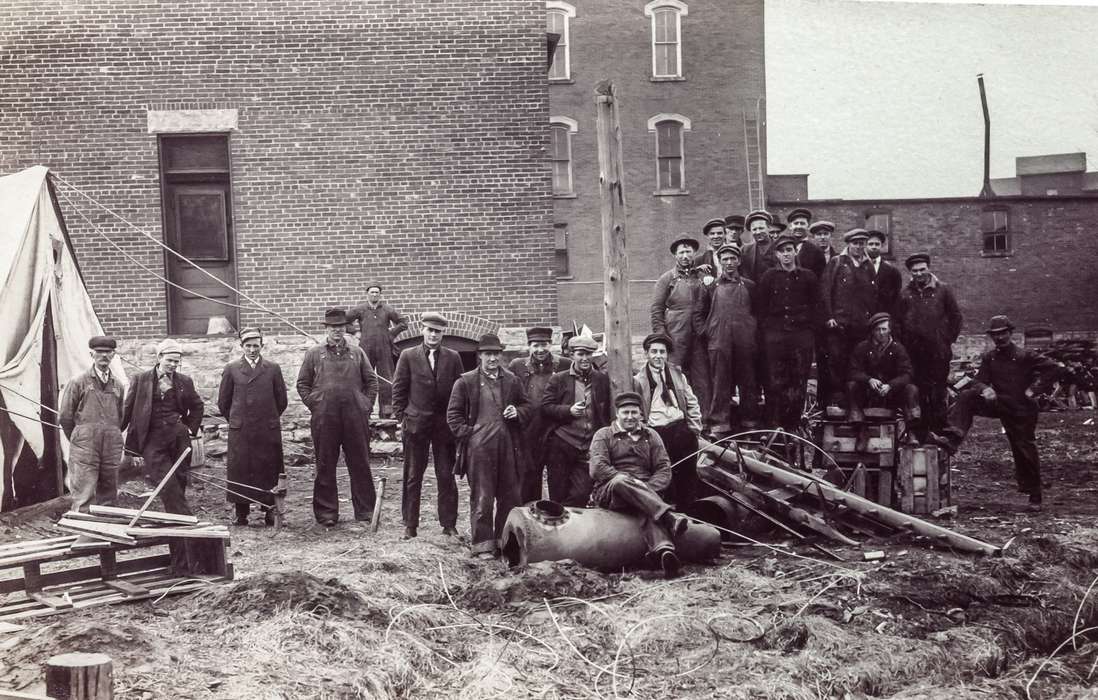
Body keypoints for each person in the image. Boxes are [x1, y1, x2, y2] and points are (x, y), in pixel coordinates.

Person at [933, 316, 1058, 511]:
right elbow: (978, 380)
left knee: (1023, 447)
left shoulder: (1026, 356)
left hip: (1022, 408)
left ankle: (1035, 495)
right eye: (996, 335)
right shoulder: (989, 358)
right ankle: (952, 437)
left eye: (1003, 334)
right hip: (1000, 403)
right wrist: (984, 388)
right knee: (967, 396)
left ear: (1010, 333)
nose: (1000, 338)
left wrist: (1034, 389)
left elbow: (1054, 368)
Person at [122, 338, 208, 573]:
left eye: (176, 362)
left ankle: (180, 560)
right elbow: (128, 412)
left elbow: (198, 406)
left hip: (179, 443)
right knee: (170, 491)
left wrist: (189, 428)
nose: (173, 365)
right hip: (152, 445)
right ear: (159, 358)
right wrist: (128, 446)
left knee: (176, 493)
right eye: (169, 360)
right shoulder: (141, 380)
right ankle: (194, 548)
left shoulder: (184, 382)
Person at [588, 392, 691, 579]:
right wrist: (630, 482)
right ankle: (668, 516)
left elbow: (663, 468)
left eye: (634, 412)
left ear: (641, 414)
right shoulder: (603, 435)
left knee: (645, 505)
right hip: (611, 491)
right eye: (625, 412)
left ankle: (665, 552)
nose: (630, 417)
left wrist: (646, 489)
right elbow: (597, 469)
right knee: (621, 482)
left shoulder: (651, 435)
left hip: (645, 492)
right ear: (617, 414)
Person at [447, 334, 530, 559]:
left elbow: (527, 406)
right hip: (479, 450)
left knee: (509, 497)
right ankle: (483, 545)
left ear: (500, 355)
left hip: (508, 449)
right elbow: (453, 416)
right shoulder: (465, 381)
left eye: (496, 354)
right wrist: (470, 434)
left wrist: (517, 412)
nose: (492, 358)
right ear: (480, 356)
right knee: (482, 497)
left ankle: (505, 544)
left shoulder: (512, 380)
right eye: (488, 354)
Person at [295, 308, 379, 526]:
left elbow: (371, 382)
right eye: (333, 327)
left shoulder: (357, 352)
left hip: (354, 417)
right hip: (325, 418)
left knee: (360, 463)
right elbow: (302, 383)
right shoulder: (315, 353)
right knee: (325, 463)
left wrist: (365, 405)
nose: (337, 331)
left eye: (340, 327)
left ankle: (365, 512)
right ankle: (327, 513)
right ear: (327, 329)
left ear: (345, 329)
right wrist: (316, 403)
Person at [392, 312, 462, 539]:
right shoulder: (408, 356)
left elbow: (460, 392)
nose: (433, 335)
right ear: (423, 330)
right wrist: (402, 418)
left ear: (443, 333)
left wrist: (456, 420)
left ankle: (449, 524)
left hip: (444, 427)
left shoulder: (453, 357)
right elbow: (399, 390)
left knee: (445, 475)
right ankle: (410, 525)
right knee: (413, 475)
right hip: (415, 426)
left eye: (438, 331)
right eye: (430, 330)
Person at [216, 327, 288, 526]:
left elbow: (281, 400)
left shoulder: (272, 368)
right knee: (241, 470)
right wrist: (237, 420)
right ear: (242, 347)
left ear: (262, 346)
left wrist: (268, 417)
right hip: (242, 430)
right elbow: (223, 402)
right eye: (248, 346)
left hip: (267, 429)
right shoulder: (232, 368)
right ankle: (241, 513)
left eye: (256, 345)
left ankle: (270, 511)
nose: (252, 349)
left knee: (269, 469)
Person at [754, 235, 820, 433]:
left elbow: (816, 306)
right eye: (782, 251)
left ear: (795, 252)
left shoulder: (808, 277)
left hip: (801, 336)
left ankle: (792, 427)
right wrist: (768, 332)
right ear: (776, 254)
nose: (786, 255)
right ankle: (774, 426)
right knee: (774, 381)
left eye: (789, 250)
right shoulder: (768, 277)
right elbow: (760, 308)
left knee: (798, 381)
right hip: (775, 337)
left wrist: (808, 330)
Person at [895, 253, 963, 435]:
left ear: (929, 269)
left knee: (938, 390)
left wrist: (945, 339)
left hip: (938, 351)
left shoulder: (943, 290)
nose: (919, 273)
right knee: (919, 391)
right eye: (915, 271)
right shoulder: (905, 294)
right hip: (914, 353)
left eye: (922, 269)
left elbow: (956, 318)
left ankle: (940, 428)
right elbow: (897, 323)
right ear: (910, 272)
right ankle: (921, 431)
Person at [632, 333, 702, 507]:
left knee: (688, 473)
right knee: (664, 473)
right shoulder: (638, 380)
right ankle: (669, 512)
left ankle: (689, 511)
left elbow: (691, 401)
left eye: (662, 352)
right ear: (647, 353)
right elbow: (638, 412)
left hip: (680, 428)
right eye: (654, 351)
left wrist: (694, 428)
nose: (658, 356)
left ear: (667, 354)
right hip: (657, 432)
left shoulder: (677, 374)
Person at [542, 335, 611, 506]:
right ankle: (559, 530)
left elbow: (606, 411)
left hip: (587, 446)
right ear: (572, 355)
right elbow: (545, 407)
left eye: (589, 354)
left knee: (582, 493)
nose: (585, 358)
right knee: (558, 494)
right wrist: (568, 411)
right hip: (562, 444)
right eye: (581, 354)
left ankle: (573, 526)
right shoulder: (559, 379)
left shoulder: (601, 379)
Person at [59, 336, 125, 513]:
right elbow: (65, 416)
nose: (103, 355)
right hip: (85, 445)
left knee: (109, 495)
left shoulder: (118, 385)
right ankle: (84, 537)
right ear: (91, 354)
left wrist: (112, 436)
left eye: (108, 352)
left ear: (114, 355)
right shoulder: (78, 382)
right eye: (99, 352)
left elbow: (121, 417)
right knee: (84, 493)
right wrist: (81, 438)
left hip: (111, 445)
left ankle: (107, 535)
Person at [703, 243, 760, 435]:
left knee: (748, 381)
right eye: (725, 259)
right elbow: (699, 313)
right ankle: (720, 424)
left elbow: (758, 313)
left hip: (745, 340)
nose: (729, 262)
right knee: (720, 382)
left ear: (739, 261)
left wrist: (751, 333)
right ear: (720, 261)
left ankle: (749, 421)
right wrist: (709, 332)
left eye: (732, 258)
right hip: (719, 340)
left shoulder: (750, 286)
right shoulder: (711, 287)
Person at [651, 235, 710, 417]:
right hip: (675, 337)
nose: (685, 255)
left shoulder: (701, 276)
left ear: (694, 254)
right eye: (681, 252)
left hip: (699, 336)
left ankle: (704, 420)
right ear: (675, 256)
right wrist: (662, 338)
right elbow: (656, 309)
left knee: (702, 380)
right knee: (675, 378)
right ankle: (677, 418)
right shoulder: (667, 279)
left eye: (688, 251)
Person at [508, 326, 569, 503]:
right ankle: (530, 519)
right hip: (529, 431)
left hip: (556, 431)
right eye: (535, 345)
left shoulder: (564, 364)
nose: (540, 349)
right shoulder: (517, 366)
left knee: (558, 479)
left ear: (551, 344)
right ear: (529, 347)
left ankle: (558, 518)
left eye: (544, 344)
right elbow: (511, 397)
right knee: (528, 478)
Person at [820, 228, 877, 411]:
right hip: (839, 324)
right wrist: (829, 316)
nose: (859, 247)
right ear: (848, 244)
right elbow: (825, 290)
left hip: (861, 326)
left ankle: (857, 402)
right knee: (837, 362)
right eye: (855, 243)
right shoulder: (837, 262)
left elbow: (873, 296)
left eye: (862, 243)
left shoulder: (868, 266)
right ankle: (838, 402)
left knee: (858, 362)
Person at [846, 313, 921, 444]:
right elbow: (853, 371)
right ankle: (861, 431)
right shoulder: (862, 348)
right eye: (877, 329)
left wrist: (891, 385)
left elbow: (907, 374)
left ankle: (912, 432)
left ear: (889, 330)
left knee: (911, 389)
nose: (881, 333)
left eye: (884, 329)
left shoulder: (898, 349)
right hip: (869, 395)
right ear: (872, 331)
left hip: (891, 396)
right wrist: (869, 380)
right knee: (852, 386)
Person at [347, 285, 408, 418]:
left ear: (380, 295)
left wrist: (390, 334)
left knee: (386, 378)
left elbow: (403, 322)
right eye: (372, 292)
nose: (374, 295)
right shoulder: (360, 309)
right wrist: (355, 332)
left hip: (384, 348)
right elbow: (344, 321)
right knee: (364, 378)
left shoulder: (387, 309)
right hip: (365, 348)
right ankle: (365, 410)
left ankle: (387, 411)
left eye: (377, 292)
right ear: (367, 294)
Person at [865, 230, 902, 315]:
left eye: (877, 244)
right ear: (865, 246)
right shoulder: (859, 268)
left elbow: (896, 297)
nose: (874, 247)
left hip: (883, 317)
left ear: (882, 246)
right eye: (870, 244)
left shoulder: (892, 271)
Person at [786, 207, 827, 277]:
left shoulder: (816, 251)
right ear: (790, 226)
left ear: (808, 226)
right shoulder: (781, 246)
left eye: (802, 223)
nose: (799, 226)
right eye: (796, 223)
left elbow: (819, 278)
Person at [739, 209, 777, 282]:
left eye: (761, 228)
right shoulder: (745, 250)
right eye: (754, 229)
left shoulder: (780, 246)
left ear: (769, 228)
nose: (758, 232)